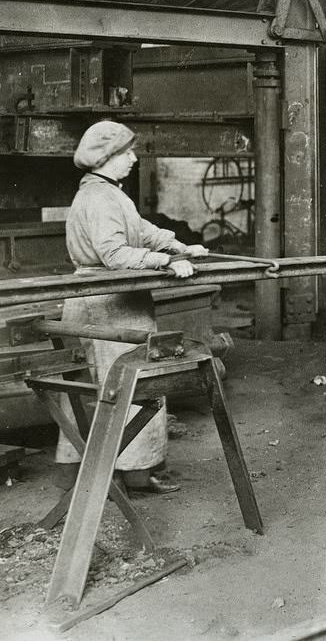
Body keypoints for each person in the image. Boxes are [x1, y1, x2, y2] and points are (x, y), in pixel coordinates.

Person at [55, 120, 209, 492]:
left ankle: (93, 472)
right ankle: (131, 472)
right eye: (127, 152)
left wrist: (178, 246)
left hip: (101, 302)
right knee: (130, 385)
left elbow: (140, 230)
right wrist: (165, 263)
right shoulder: (99, 197)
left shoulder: (106, 193)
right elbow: (113, 253)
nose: (133, 158)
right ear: (108, 157)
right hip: (109, 304)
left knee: (98, 389)